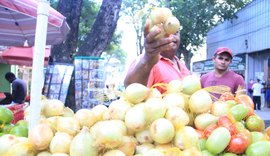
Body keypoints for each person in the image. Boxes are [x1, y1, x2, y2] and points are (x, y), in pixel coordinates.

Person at [124, 20, 190, 93]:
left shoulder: (182, 65)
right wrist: (148, 59)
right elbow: (132, 92)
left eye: (175, 32)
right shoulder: (146, 61)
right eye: (165, 33)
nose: (171, 37)